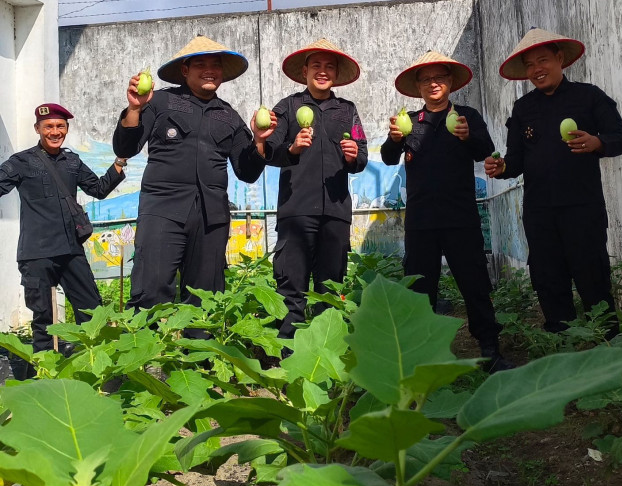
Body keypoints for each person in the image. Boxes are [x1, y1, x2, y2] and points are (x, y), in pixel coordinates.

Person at [113, 35, 275, 333]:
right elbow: (126, 147)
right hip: (163, 211)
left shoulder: (229, 116)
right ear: (185, 70)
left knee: (205, 298)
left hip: (211, 218)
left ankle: (198, 369)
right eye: (200, 64)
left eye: (215, 65)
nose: (209, 70)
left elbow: (247, 171)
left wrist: (260, 142)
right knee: (150, 290)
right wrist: (134, 109)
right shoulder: (159, 102)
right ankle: (139, 370)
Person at [484, 28, 622, 338]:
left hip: (582, 205)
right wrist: (502, 167)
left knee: (592, 273)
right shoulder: (523, 109)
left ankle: (607, 341)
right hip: (539, 210)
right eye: (530, 65)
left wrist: (597, 142)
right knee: (548, 277)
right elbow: (516, 160)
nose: (537, 69)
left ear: (560, 59)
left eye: (543, 60)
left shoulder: (589, 96)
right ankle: (560, 339)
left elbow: (620, 139)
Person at [380, 51, 512, 372]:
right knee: (420, 288)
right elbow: (386, 157)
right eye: (426, 79)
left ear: (450, 82)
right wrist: (394, 138)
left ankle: (489, 350)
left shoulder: (467, 116)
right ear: (418, 86)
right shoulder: (410, 122)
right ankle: (421, 356)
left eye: (439, 77)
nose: (433, 83)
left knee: (474, 283)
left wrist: (469, 136)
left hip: (460, 216)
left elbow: (484, 149)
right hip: (421, 220)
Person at [0, 103, 125, 361]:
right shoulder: (21, 162)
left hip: (71, 250)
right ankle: (43, 374)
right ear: (38, 129)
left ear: (66, 129)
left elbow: (99, 189)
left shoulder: (72, 162)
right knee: (43, 318)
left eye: (60, 126)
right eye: (48, 127)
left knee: (92, 312)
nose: (54, 131)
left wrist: (119, 162)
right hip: (37, 253)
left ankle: (95, 368)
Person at [262, 39, 368, 344]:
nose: (323, 72)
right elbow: (271, 151)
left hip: (335, 212)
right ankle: (287, 353)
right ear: (305, 71)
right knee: (291, 287)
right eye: (316, 66)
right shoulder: (288, 107)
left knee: (330, 288)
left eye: (329, 66)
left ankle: (325, 350)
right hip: (296, 210)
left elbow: (361, 155)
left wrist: (353, 156)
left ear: (335, 73)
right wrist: (292, 148)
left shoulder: (348, 111)